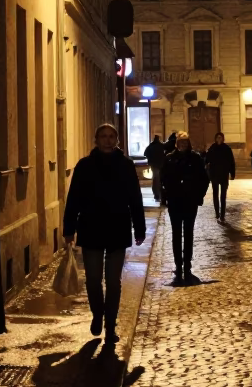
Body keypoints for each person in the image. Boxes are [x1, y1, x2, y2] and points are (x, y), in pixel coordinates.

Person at [62, 123, 146, 344]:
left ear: (117, 140)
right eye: (103, 136)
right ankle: (97, 314)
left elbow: (134, 197)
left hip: (117, 227)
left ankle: (110, 324)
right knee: (92, 279)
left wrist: (139, 227)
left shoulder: (126, 165)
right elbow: (74, 198)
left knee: (113, 281)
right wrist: (69, 228)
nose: (108, 140)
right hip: (91, 227)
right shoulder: (85, 165)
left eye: (111, 136)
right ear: (96, 140)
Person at [160, 131, 210, 286]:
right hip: (175, 201)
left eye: (185, 142)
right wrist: (166, 196)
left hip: (189, 201)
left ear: (188, 143)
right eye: (180, 142)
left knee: (188, 233)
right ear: (177, 144)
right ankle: (178, 265)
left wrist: (199, 196)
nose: (183, 145)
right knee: (176, 234)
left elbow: (204, 179)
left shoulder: (195, 158)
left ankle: (187, 265)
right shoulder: (169, 158)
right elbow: (163, 180)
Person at [205, 131, 236, 223]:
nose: (219, 139)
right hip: (214, 175)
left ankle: (222, 215)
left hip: (223, 175)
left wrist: (232, 173)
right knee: (215, 195)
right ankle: (217, 213)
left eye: (220, 137)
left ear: (223, 138)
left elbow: (231, 162)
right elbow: (207, 160)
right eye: (217, 137)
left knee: (223, 196)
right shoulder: (212, 148)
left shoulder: (227, 149)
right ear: (215, 139)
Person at [143, 134, 166, 205]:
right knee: (159, 180)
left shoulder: (151, 146)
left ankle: (156, 195)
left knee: (156, 180)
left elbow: (145, 153)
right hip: (161, 165)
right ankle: (159, 195)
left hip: (154, 165)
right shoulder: (161, 146)